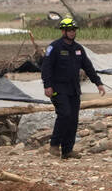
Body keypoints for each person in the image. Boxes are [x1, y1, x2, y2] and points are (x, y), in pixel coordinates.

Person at [41, 16, 106, 159]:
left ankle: (67, 151)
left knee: (73, 119)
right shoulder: (54, 47)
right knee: (64, 114)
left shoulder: (78, 49)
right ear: (63, 31)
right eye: (69, 30)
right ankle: (54, 145)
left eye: (74, 30)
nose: (72, 33)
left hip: (74, 89)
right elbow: (46, 68)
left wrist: (98, 83)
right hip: (58, 88)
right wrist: (47, 85)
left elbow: (88, 67)